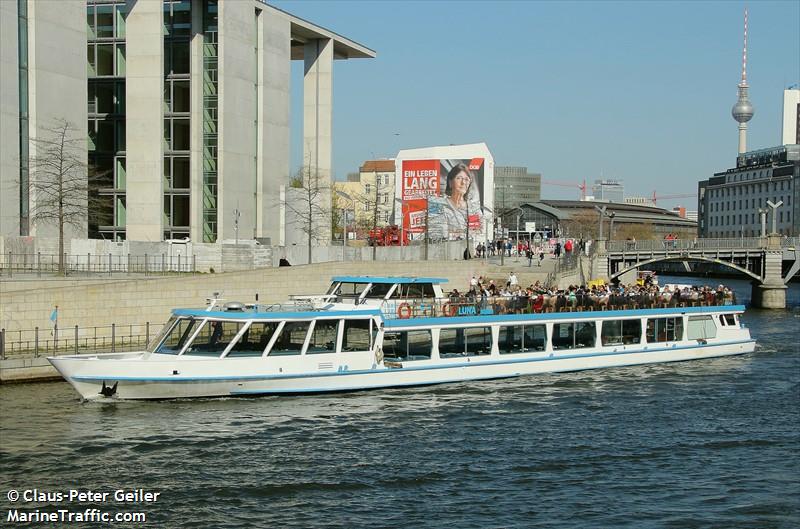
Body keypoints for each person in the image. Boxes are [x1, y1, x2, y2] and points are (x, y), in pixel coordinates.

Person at [427, 163, 483, 241]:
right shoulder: (438, 205)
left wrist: (456, 233)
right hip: (446, 249)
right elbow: (437, 233)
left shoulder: (474, 209)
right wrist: (463, 233)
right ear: (450, 182)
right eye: (459, 178)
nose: (463, 183)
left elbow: (478, 233)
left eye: (466, 179)